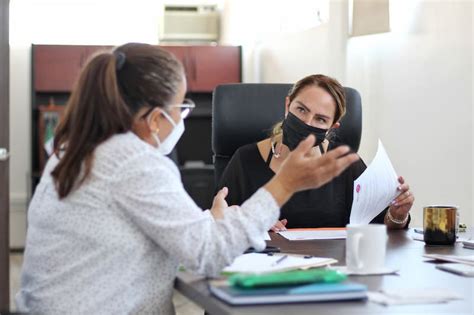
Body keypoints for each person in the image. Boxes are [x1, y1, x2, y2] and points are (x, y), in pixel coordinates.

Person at [15, 44, 358, 314]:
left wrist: (213, 219)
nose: (181, 117)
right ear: (153, 118)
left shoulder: (75, 149)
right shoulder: (135, 164)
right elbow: (208, 255)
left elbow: (159, 229)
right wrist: (284, 184)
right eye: (179, 106)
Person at [217, 74, 414, 232]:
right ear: (287, 105)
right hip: (266, 270)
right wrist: (251, 222)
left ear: (332, 127)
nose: (307, 123)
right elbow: (217, 220)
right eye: (301, 110)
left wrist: (398, 215)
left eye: (320, 119)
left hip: (333, 271)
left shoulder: (344, 164)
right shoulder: (245, 160)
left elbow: (381, 226)